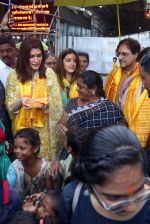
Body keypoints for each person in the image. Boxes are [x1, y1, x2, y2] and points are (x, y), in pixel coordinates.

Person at [60, 125, 150, 224]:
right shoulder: (71, 197)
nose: (131, 208)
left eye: (139, 190)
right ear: (90, 185)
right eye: (114, 197)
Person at [5, 37, 63, 160]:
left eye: (39, 56)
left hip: (44, 131)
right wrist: (20, 102)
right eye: (31, 56)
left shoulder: (49, 74)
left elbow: (57, 105)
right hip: (22, 130)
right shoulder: (13, 76)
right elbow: (10, 107)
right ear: (24, 56)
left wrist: (46, 106)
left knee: (43, 167)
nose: (36, 60)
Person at [105, 38, 150, 148]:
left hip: (136, 127)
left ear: (136, 55)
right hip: (115, 126)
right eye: (118, 54)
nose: (120, 57)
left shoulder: (142, 75)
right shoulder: (113, 75)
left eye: (124, 54)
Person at [56, 70, 126, 135]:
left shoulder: (110, 110)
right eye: (77, 86)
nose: (77, 89)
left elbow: (120, 136)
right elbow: (61, 123)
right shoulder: (72, 102)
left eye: (80, 87)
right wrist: (59, 126)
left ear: (93, 89)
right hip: (72, 147)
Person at [7, 128, 52, 199]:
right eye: (15, 147)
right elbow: (9, 186)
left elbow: (52, 195)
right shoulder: (15, 166)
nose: (17, 151)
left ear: (35, 148)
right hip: (21, 207)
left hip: (43, 207)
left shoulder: (47, 168)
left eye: (22, 148)